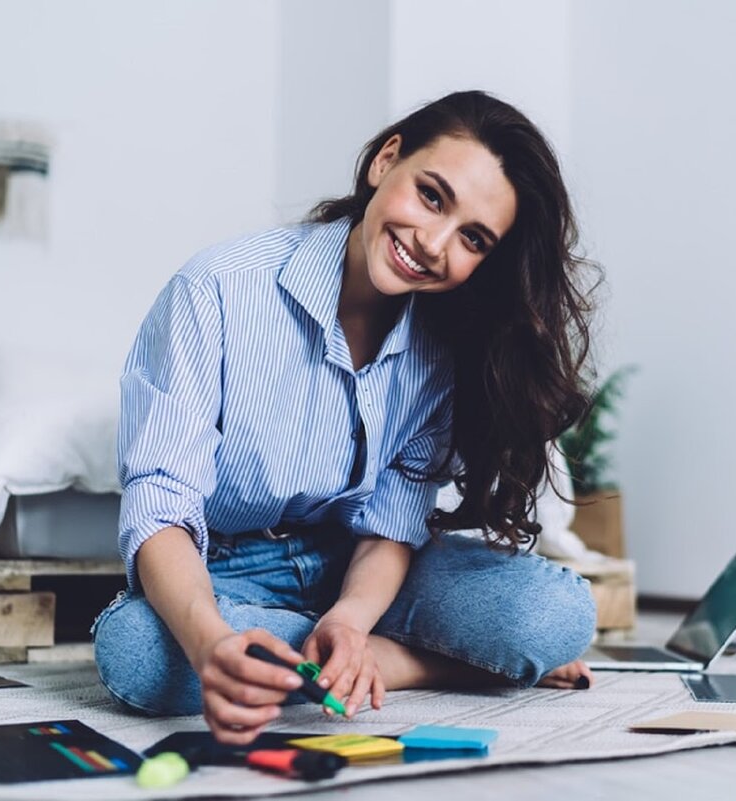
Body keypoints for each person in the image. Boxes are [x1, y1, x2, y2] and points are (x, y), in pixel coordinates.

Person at [93, 90, 600, 745]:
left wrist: (354, 620)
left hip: (357, 568)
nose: (433, 242)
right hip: (220, 569)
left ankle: (367, 660)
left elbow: (392, 521)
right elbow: (160, 505)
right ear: (384, 161)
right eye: (431, 196)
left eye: (472, 238)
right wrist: (210, 639)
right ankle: (400, 662)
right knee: (137, 652)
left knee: (555, 610)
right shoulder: (216, 288)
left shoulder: (447, 344)